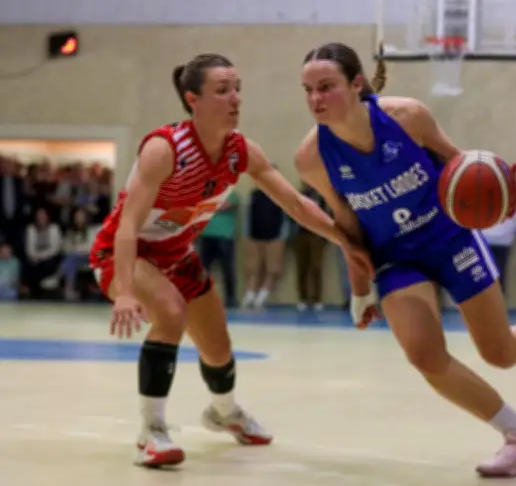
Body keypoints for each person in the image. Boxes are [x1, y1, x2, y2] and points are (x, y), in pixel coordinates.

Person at [293, 42, 516, 478]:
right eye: (307, 90)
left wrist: (498, 194)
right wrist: (360, 291)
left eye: (325, 87)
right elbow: (345, 221)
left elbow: (461, 165)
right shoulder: (312, 158)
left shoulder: (407, 117)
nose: (315, 99)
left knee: (497, 353)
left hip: (449, 237)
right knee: (424, 356)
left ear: (357, 84)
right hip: (394, 257)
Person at [89, 53, 372, 468]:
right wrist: (127, 292)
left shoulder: (241, 151)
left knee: (218, 347)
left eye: (237, 88)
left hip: (176, 256)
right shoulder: (164, 148)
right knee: (170, 313)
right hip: (124, 253)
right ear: (193, 100)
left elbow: (294, 203)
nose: (236, 98)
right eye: (223, 90)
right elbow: (129, 225)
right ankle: (151, 432)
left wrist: (344, 241)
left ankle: (223, 412)